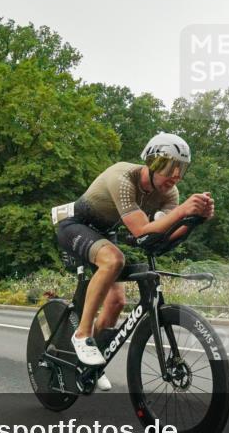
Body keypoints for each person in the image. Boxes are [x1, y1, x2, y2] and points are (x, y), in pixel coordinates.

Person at [54, 132, 214, 390]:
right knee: (114, 259)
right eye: (169, 167)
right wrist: (184, 210)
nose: (175, 176)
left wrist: (195, 220)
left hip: (106, 233)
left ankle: (90, 364)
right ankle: (82, 335)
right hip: (75, 225)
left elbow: (162, 235)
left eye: (181, 169)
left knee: (117, 301)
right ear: (151, 162)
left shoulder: (169, 194)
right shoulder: (123, 177)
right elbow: (141, 230)